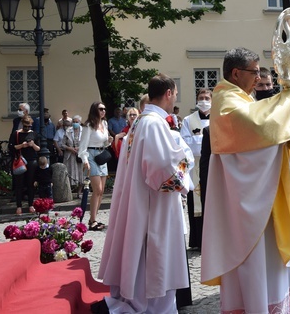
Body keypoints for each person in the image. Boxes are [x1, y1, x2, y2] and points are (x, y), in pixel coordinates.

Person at [201, 47, 290, 313]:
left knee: (269, 260)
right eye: (254, 72)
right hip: (249, 203)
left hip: (260, 195)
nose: (258, 78)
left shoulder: (238, 98)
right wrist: (288, 99)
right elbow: (260, 129)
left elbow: (264, 126)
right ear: (236, 73)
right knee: (257, 260)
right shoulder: (227, 102)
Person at [98, 74, 193, 313]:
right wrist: (185, 164)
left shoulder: (142, 121)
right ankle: (149, 307)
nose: (175, 100)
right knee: (154, 256)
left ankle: (136, 300)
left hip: (141, 198)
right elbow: (162, 170)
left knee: (141, 253)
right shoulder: (153, 123)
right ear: (169, 93)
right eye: (176, 95)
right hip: (154, 204)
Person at [180, 88, 212, 249]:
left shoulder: (218, 118)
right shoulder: (188, 120)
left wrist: (197, 139)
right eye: (201, 97)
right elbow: (185, 144)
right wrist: (203, 140)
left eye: (207, 98)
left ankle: (212, 240)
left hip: (212, 164)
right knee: (195, 203)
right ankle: (197, 240)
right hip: (195, 167)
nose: (204, 100)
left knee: (212, 202)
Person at [78, 101, 112, 231]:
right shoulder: (89, 126)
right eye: (100, 109)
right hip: (91, 155)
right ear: (94, 110)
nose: (103, 111)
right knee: (97, 189)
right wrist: (85, 159)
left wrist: (108, 142)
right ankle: (92, 220)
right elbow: (83, 146)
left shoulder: (104, 123)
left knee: (101, 191)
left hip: (101, 154)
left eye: (104, 109)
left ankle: (94, 219)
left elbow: (104, 143)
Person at [9, 115, 39, 215]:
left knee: (31, 184)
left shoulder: (34, 134)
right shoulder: (16, 134)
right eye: (25, 126)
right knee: (19, 184)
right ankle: (19, 206)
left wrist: (32, 145)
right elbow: (12, 147)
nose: (27, 128)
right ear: (22, 125)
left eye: (29, 126)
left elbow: (39, 148)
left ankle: (31, 204)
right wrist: (22, 145)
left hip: (31, 160)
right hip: (20, 160)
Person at [61, 115, 84, 191]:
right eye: (73, 122)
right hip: (70, 156)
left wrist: (80, 148)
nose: (75, 123)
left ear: (80, 122)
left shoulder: (84, 131)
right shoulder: (68, 131)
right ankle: (69, 191)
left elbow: (87, 143)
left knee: (81, 173)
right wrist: (69, 148)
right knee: (70, 173)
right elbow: (62, 144)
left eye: (76, 122)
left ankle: (79, 192)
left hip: (80, 155)